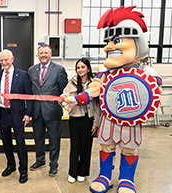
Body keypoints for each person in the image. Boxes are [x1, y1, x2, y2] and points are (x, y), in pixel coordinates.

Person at [62, 6, 162, 193]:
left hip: (131, 120)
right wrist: (74, 100)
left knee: (129, 149)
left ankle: (126, 179)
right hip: (109, 118)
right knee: (106, 147)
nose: (109, 47)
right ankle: (105, 176)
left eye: (116, 41)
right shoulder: (105, 74)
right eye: (108, 42)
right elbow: (92, 91)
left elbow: (152, 93)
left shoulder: (144, 73)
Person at [28, 44, 68, 176]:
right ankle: (40, 160)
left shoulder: (59, 69)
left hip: (53, 112)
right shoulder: (32, 70)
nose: (43, 55)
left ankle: (53, 164)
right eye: (41, 53)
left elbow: (64, 90)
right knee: (38, 138)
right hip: (37, 111)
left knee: (54, 139)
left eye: (46, 53)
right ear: (38, 55)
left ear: (50, 54)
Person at [0, 49, 33, 183]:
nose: (4, 62)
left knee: (20, 143)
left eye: (6, 59)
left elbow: (29, 96)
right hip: (3, 114)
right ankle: (11, 165)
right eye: (1, 60)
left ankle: (23, 171)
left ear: (12, 59)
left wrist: (28, 114)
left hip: (18, 115)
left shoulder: (23, 75)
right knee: (6, 143)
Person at [60, 58, 100, 183]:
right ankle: (73, 172)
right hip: (75, 119)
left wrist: (96, 123)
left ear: (88, 68)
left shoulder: (95, 84)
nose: (80, 70)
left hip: (89, 120)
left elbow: (98, 106)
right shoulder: (72, 82)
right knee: (75, 147)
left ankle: (82, 172)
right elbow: (63, 96)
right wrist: (64, 101)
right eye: (78, 68)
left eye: (83, 67)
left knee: (86, 147)